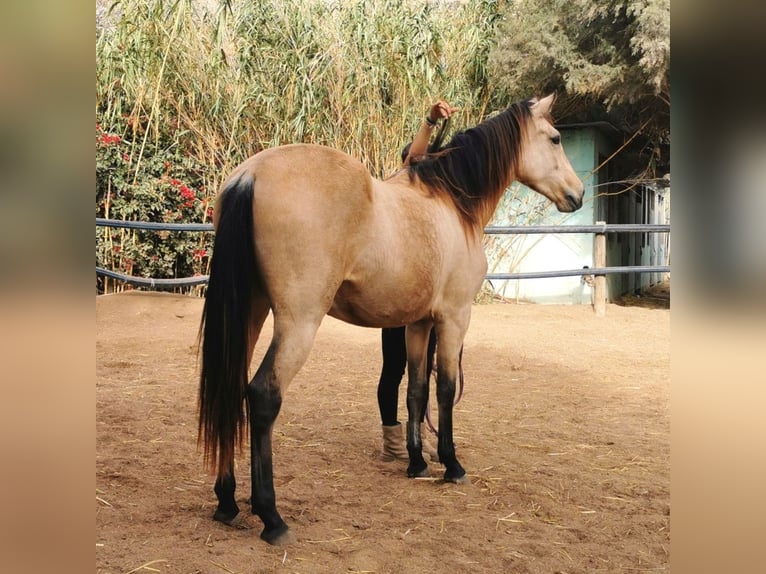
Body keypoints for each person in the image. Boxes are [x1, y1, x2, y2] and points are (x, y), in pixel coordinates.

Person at [379, 100, 459, 462]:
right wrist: (429, 121)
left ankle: (416, 431)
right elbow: (415, 156)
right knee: (394, 369)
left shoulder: (433, 204)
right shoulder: (401, 186)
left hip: (426, 303)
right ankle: (391, 435)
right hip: (399, 298)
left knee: (423, 370)